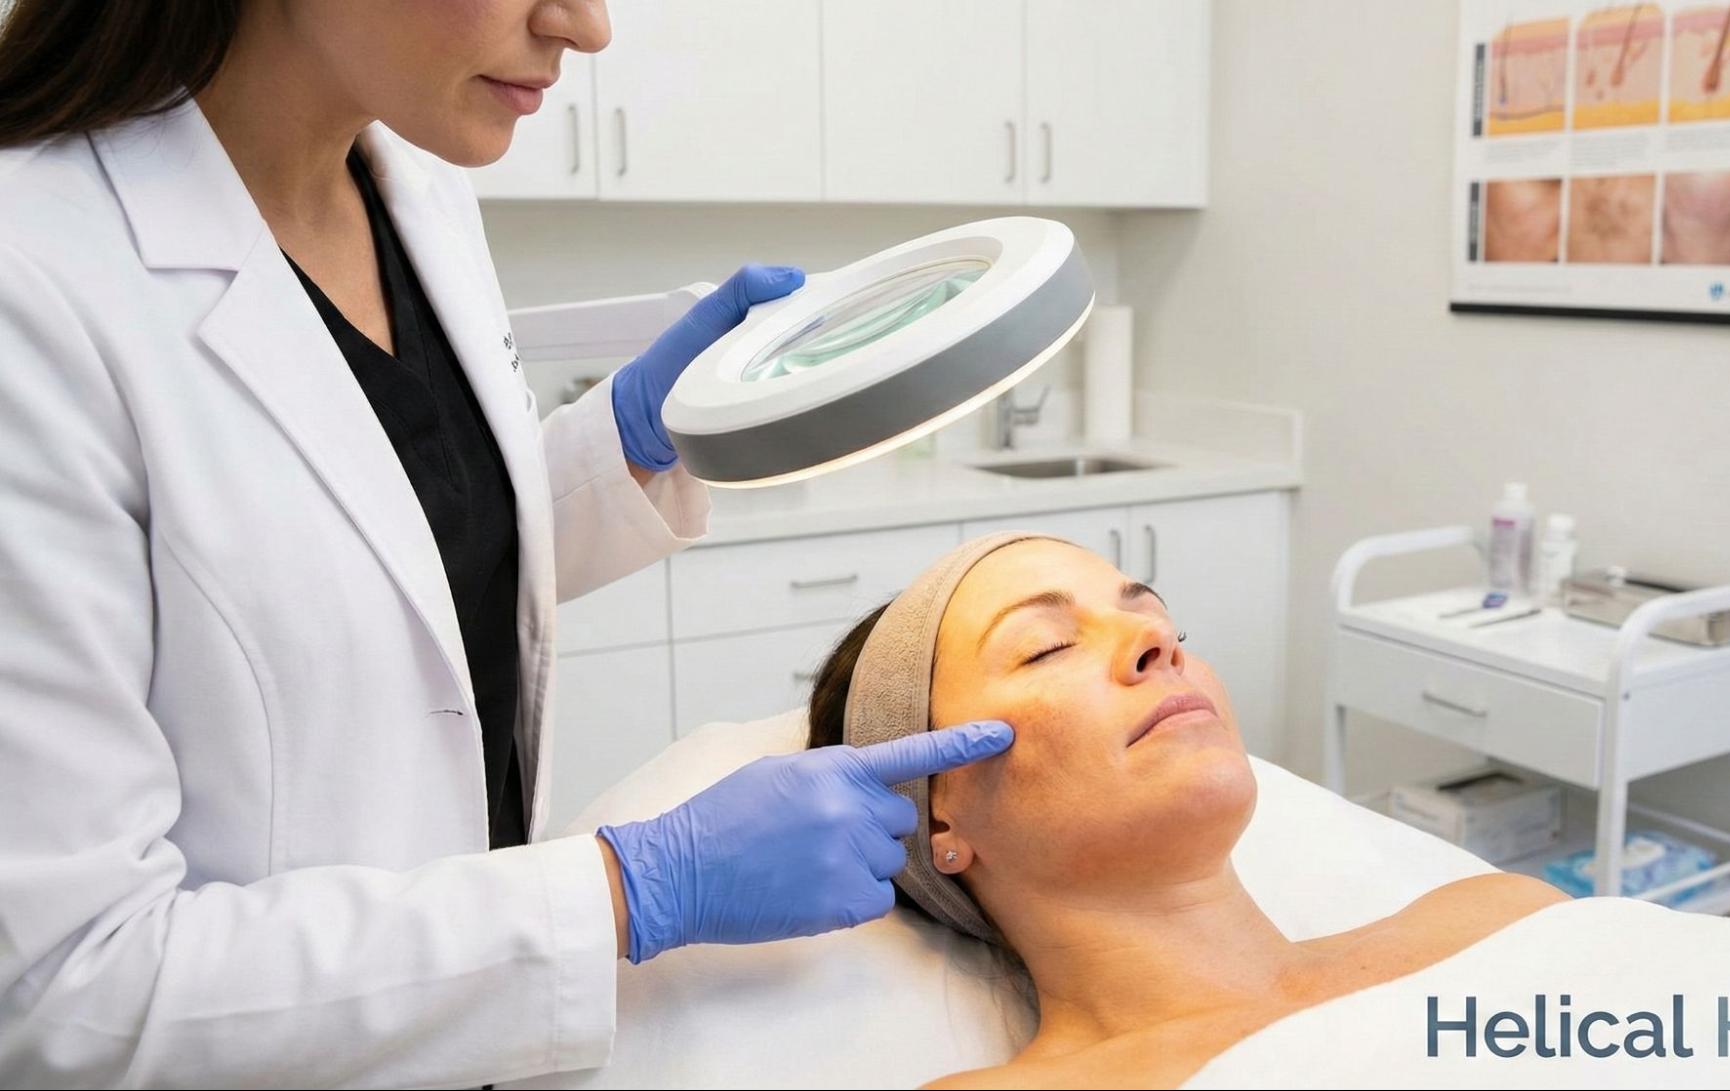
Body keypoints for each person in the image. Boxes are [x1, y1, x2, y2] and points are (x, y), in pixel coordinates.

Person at [0, 2, 1008, 1085]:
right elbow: (58, 990)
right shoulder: (34, 284)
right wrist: (625, 890)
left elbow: (363, 575)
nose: (583, 25)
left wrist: (613, 447)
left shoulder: (418, 191)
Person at [806, 533, 1569, 1089]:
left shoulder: (1500, 916)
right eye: (1046, 646)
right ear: (939, 818)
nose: (1155, 639)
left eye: (1164, 620)